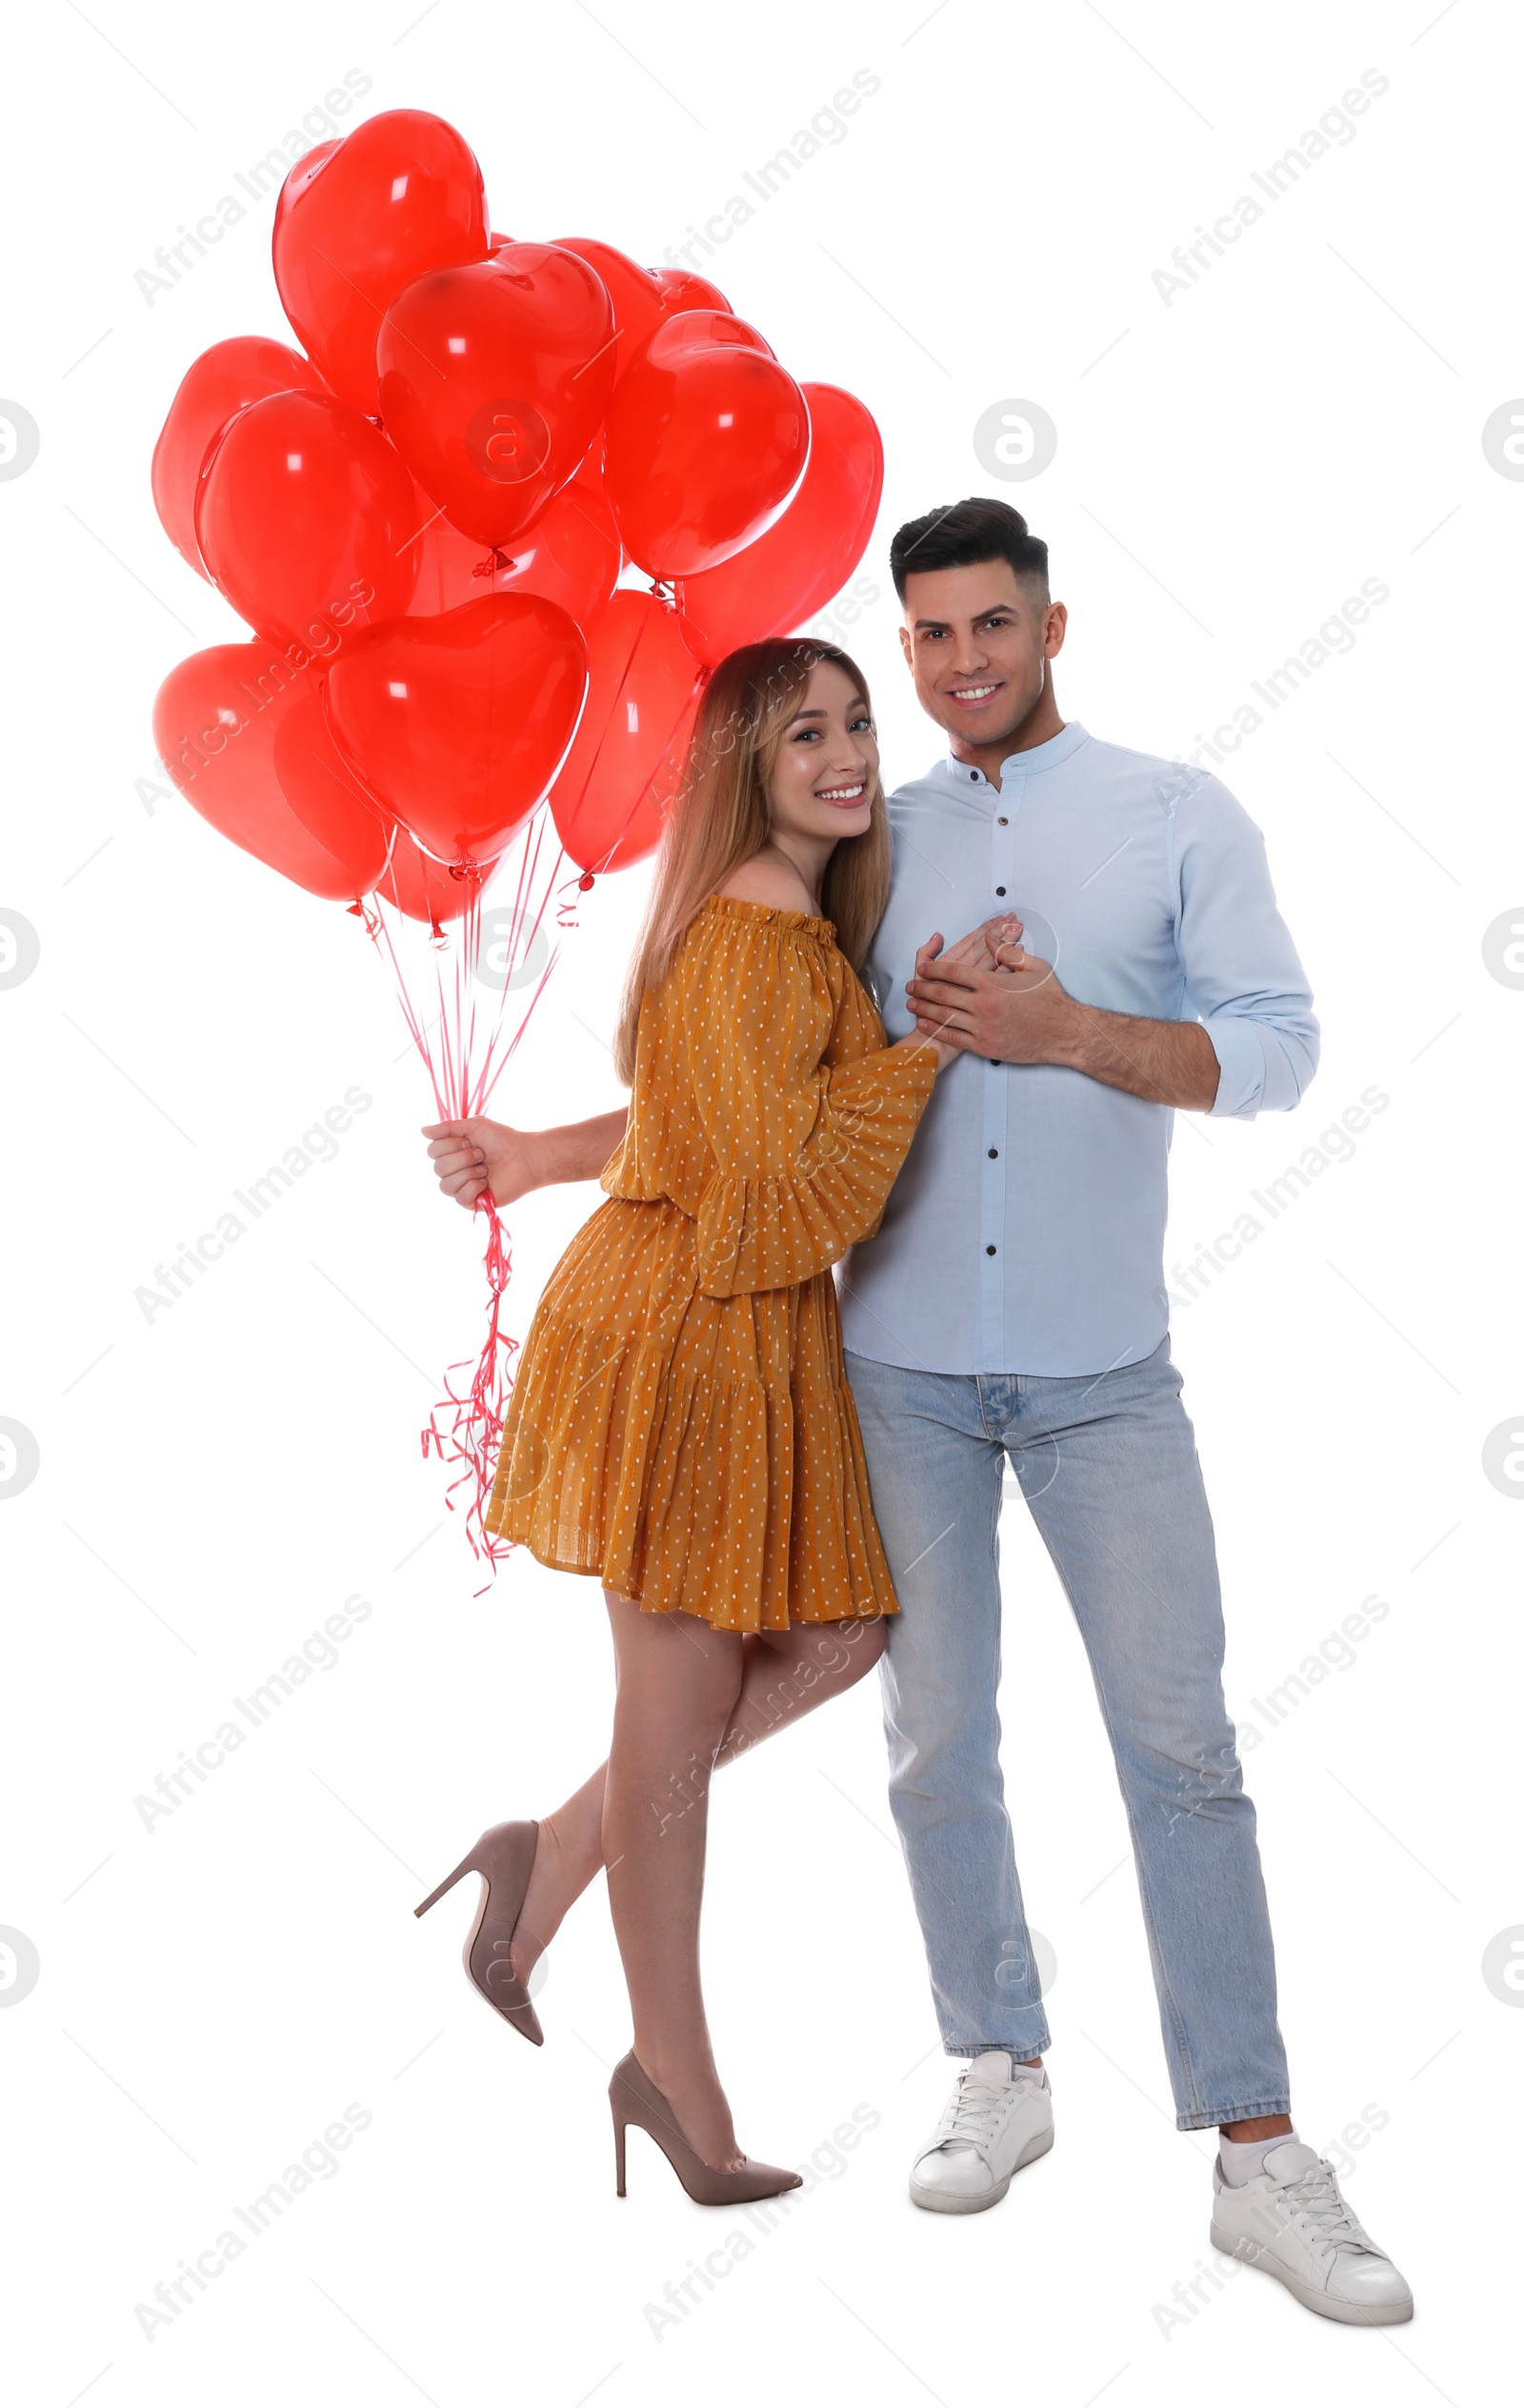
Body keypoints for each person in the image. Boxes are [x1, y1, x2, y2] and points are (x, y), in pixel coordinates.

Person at [831, 495, 1410, 2324]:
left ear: (1055, 625)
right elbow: (799, 1079)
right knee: (937, 1745)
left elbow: (1285, 1046)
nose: (960, 664)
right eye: (926, 636)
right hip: (898, 1371)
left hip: (1104, 1381)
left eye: (989, 625)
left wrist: (1072, 1029)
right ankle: (997, 2063)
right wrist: (904, 1037)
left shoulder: (1174, 813)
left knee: (1183, 1754)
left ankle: (1257, 2152)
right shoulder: (872, 836)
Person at [416, 636, 1002, 2206]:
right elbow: (765, 1190)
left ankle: (545, 1854)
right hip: (693, 1329)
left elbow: (699, 1118)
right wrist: (930, 1048)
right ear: (748, 760)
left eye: (857, 723)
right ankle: (677, 2084)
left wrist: (540, 1151)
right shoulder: (759, 925)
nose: (848, 753)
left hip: (708, 1317)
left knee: (830, 1640)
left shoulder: (775, 915)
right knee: (679, 1725)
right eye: (805, 732)